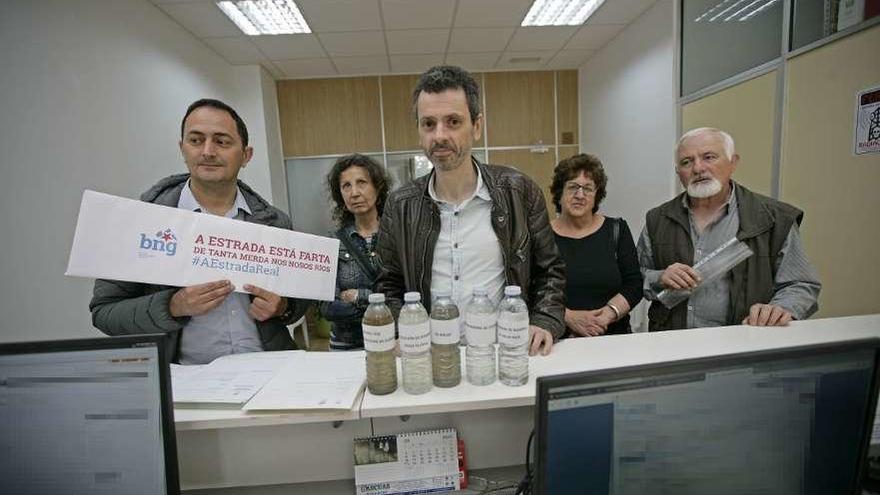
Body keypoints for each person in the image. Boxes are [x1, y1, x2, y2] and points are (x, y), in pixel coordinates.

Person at [90, 98, 309, 364]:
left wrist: (283, 306)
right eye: (196, 140)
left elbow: (300, 301)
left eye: (222, 141)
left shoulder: (275, 222)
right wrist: (172, 306)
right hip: (186, 380)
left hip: (268, 368)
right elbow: (105, 313)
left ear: (246, 155)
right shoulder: (140, 222)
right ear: (182, 148)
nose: (208, 151)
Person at [375, 65, 565, 356]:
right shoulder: (400, 205)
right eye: (428, 124)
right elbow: (389, 282)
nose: (439, 135)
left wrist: (545, 320)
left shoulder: (519, 191)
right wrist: (403, 332)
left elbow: (549, 270)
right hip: (430, 358)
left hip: (506, 353)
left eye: (453, 122)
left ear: (476, 126)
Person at [637, 127, 821, 331]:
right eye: (686, 162)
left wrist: (780, 308)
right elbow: (635, 278)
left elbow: (801, 284)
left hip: (742, 346)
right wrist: (659, 277)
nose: (698, 168)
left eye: (709, 157)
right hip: (671, 344)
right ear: (678, 172)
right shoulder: (657, 219)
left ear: (733, 163)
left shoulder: (773, 219)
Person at [550, 154, 643, 336]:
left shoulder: (617, 230)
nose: (580, 195)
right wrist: (567, 317)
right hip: (560, 341)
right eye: (572, 187)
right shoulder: (542, 236)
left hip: (613, 338)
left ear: (597, 195)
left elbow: (634, 284)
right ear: (559, 193)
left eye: (588, 188)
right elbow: (530, 290)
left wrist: (607, 315)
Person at [320, 154, 392, 351]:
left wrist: (357, 296)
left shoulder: (396, 237)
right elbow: (329, 308)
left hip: (390, 341)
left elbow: (404, 297)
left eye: (361, 182)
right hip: (346, 345)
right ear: (340, 195)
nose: (354, 193)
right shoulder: (332, 242)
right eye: (346, 186)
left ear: (377, 187)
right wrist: (379, 302)